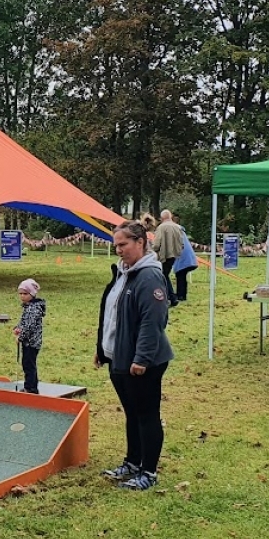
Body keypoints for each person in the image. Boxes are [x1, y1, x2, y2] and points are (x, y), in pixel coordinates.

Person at [95, 221, 174, 491]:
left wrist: (141, 359)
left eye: (123, 244)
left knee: (146, 414)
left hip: (143, 362)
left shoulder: (149, 276)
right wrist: (101, 349)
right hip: (119, 358)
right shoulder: (123, 273)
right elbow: (112, 315)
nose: (118, 250)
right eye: (116, 245)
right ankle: (132, 462)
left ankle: (148, 472)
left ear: (140, 242)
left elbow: (152, 323)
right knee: (132, 413)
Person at [12, 277, 46, 393]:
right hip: (27, 341)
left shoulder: (34, 308)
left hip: (32, 342)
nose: (22, 296)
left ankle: (30, 388)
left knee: (29, 365)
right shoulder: (28, 307)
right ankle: (30, 386)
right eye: (20, 293)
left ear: (32, 294)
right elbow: (24, 321)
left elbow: (29, 327)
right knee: (27, 363)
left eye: (25, 293)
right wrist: (17, 328)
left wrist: (20, 337)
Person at [153, 210, 184, 308]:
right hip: (174, 256)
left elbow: (157, 244)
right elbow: (182, 243)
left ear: (162, 218)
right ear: (170, 217)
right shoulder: (177, 227)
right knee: (164, 275)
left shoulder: (161, 227)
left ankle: (171, 297)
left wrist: (150, 250)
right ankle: (170, 297)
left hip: (163, 256)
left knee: (163, 276)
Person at [171, 215, 198, 304]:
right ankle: (181, 295)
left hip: (183, 258)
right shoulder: (180, 230)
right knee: (181, 276)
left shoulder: (175, 230)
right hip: (187, 258)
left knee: (180, 276)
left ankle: (181, 296)